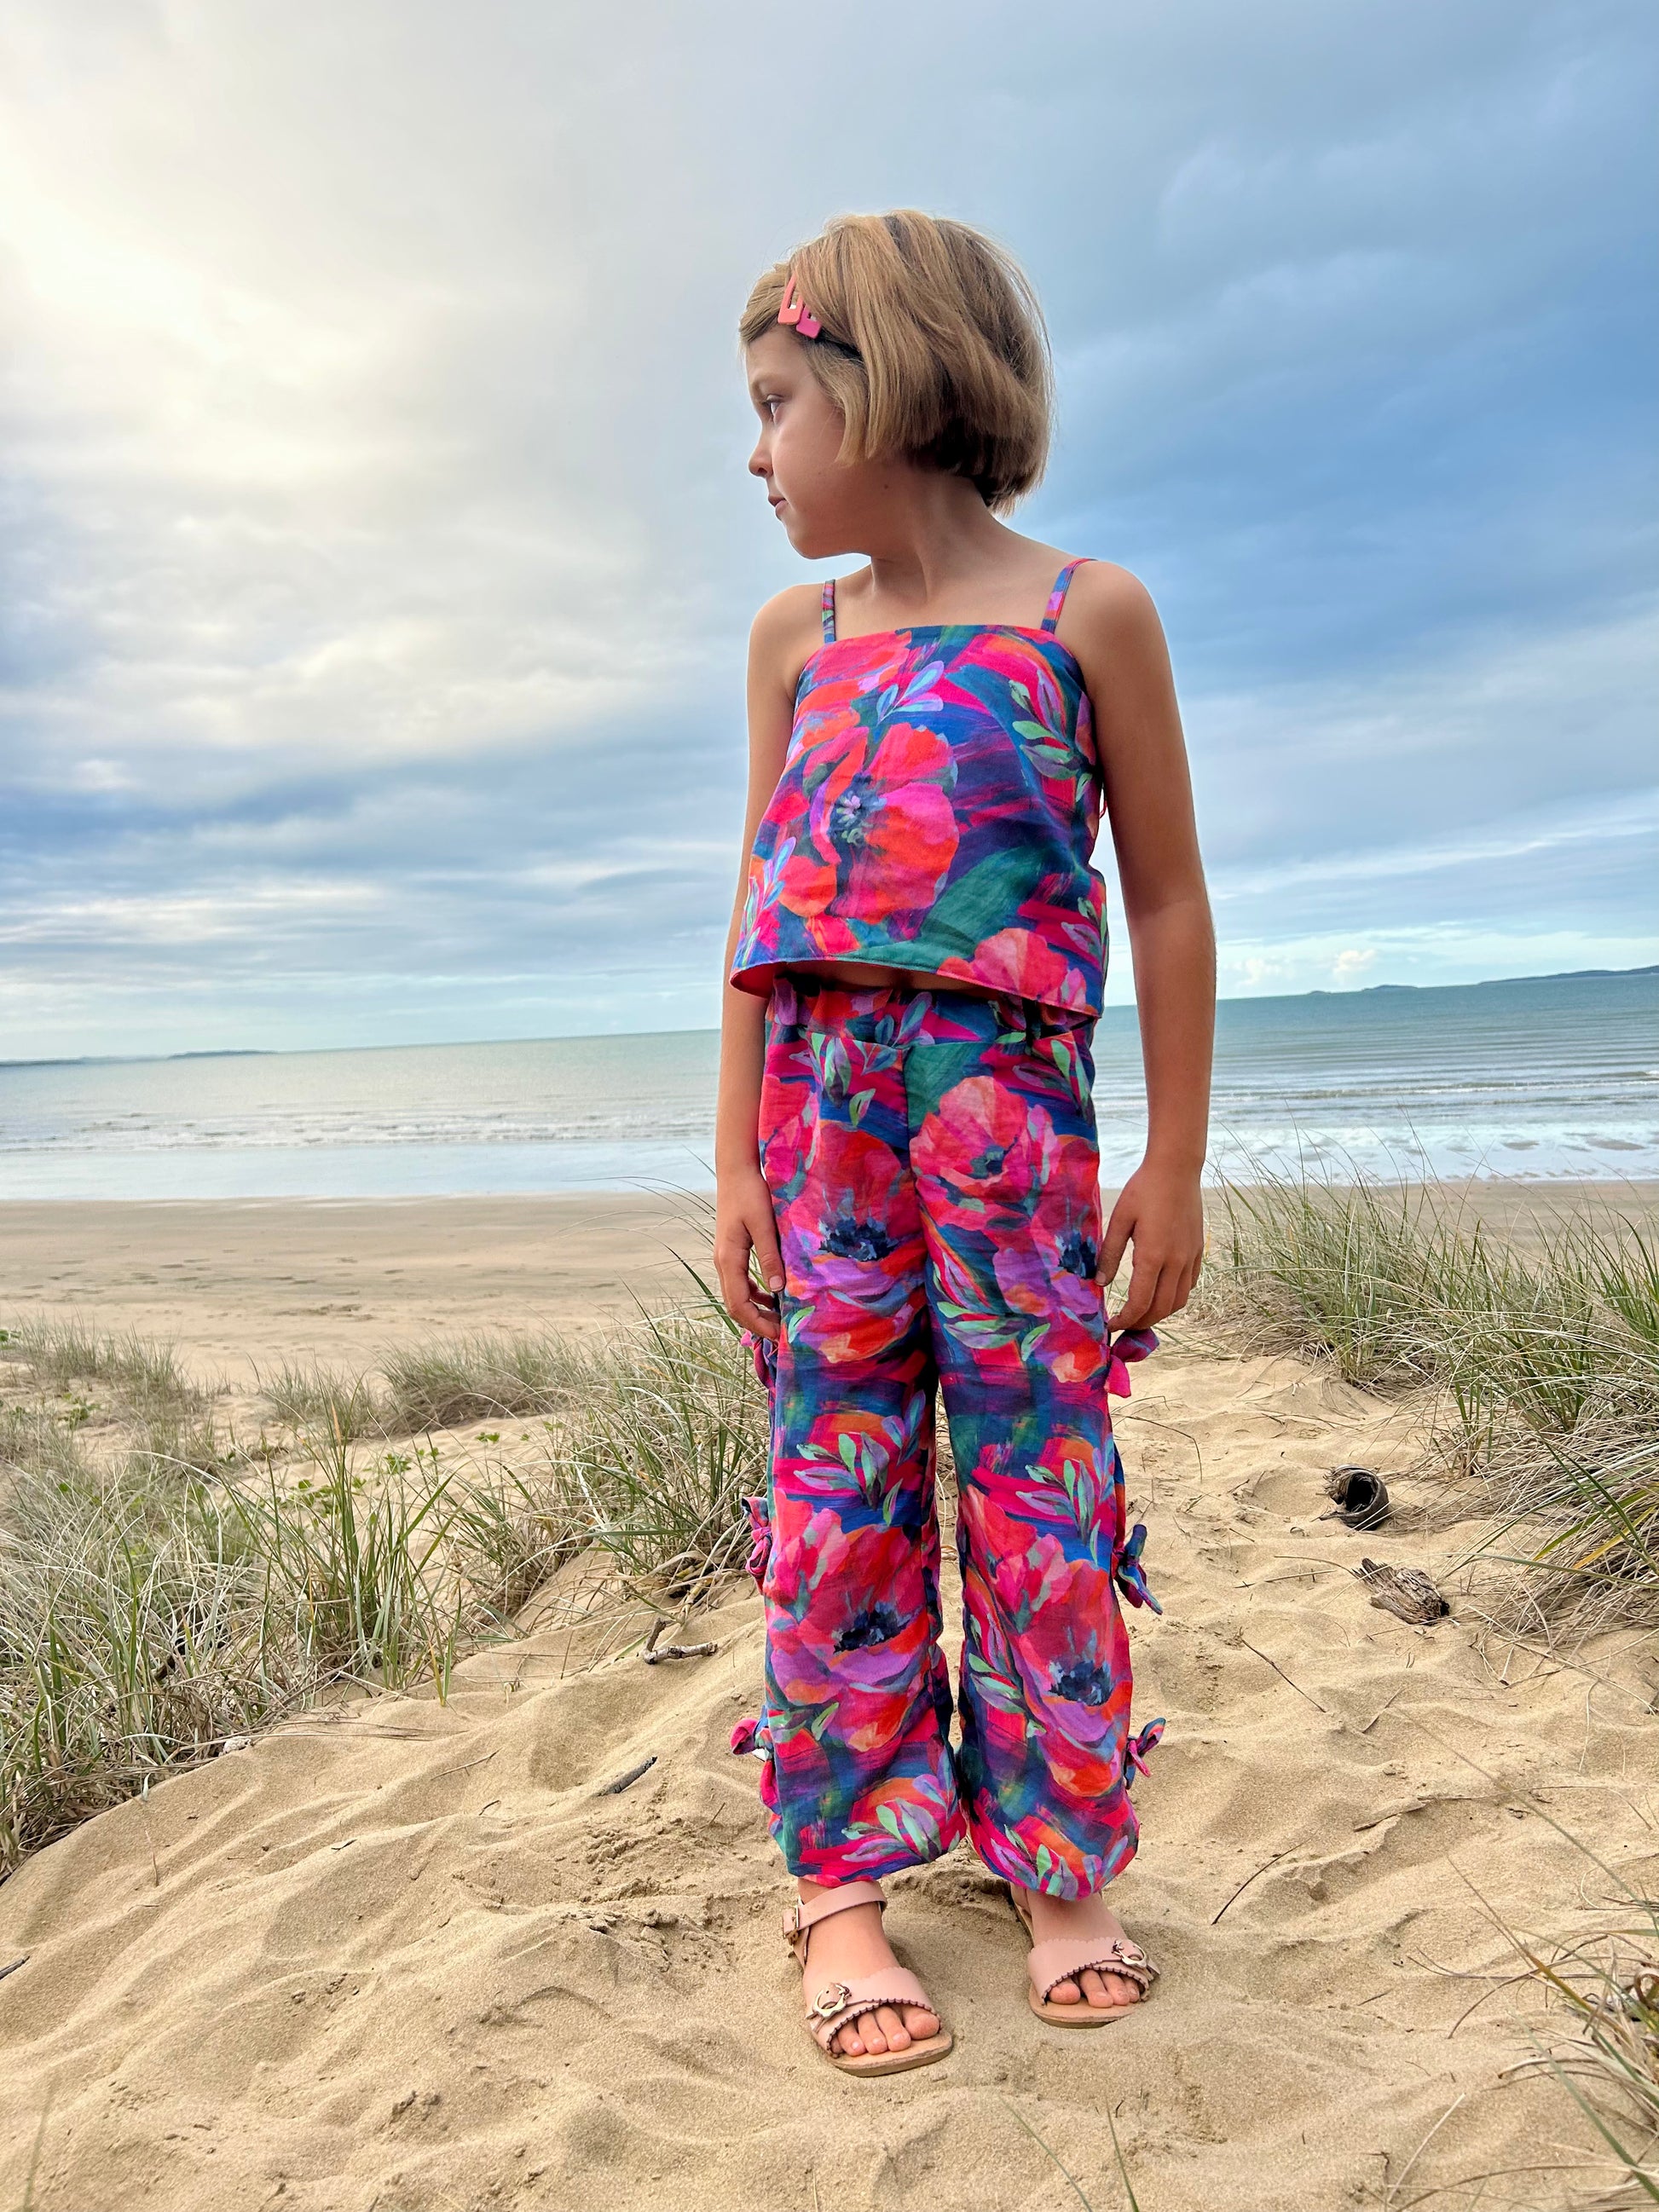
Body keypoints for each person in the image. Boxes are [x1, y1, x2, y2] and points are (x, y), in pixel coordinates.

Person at [714, 210, 1214, 2077]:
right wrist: (734, 1164)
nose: (755, 453)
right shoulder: (796, 639)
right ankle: (841, 1882)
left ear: (888, 384)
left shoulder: (1088, 614)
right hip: (821, 1124)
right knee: (834, 1491)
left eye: (775, 404)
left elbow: (1164, 899)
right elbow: (754, 916)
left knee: (1037, 1481)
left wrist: (1173, 1157)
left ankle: (1058, 1861)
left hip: (1013, 1127)